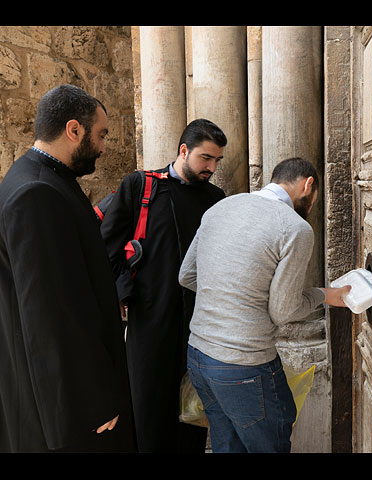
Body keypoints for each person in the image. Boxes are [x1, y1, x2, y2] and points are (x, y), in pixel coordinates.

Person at [179, 157, 351, 453]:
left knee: (226, 445)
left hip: (198, 356)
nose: (310, 207)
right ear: (308, 184)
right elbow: (283, 311)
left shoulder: (219, 208)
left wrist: (232, 296)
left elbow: (187, 276)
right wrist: (324, 295)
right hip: (244, 366)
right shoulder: (294, 228)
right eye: (313, 200)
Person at [0, 84, 135, 452]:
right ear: (74, 130)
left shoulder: (41, 179)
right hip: (73, 407)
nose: (106, 147)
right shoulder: (37, 193)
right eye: (102, 134)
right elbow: (52, 314)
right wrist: (94, 401)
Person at [100, 119, 227, 453]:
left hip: (199, 325)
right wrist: (125, 292)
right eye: (205, 158)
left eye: (216, 161)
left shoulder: (216, 198)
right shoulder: (141, 186)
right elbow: (108, 247)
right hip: (149, 321)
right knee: (148, 413)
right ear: (183, 150)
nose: (211, 168)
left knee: (191, 414)